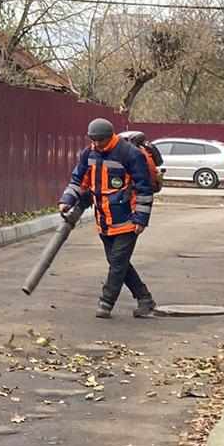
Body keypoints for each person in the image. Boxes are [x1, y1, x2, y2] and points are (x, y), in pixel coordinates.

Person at [59, 118, 156, 319]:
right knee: (117, 261)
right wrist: (66, 200)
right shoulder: (89, 153)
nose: (95, 144)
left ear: (109, 136)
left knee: (118, 263)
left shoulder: (130, 154)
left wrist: (140, 218)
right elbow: (79, 180)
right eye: (92, 140)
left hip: (127, 221)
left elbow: (144, 189)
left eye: (99, 140)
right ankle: (144, 299)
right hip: (104, 221)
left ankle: (106, 303)